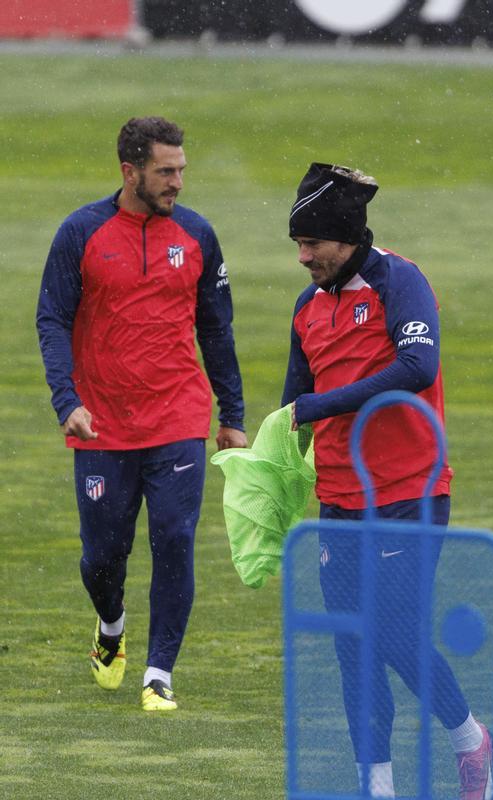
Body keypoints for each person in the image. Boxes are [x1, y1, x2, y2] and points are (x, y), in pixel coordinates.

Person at [279, 163, 493, 800]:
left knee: (393, 630)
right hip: (338, 501)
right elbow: (296, 400)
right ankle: (378, 788)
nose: (303, 258)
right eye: (297, 244)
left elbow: (418, 365)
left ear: (345, 238)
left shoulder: (400, 281)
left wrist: (324, 406)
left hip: (410, 493)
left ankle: (468, 739)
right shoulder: (306, 308)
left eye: (312, 243)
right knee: (353, 645)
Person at [36, 116, 246, 712]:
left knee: (175, 539)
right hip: (101, 422)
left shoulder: (198, 235)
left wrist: (231, 412)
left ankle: (159, 673)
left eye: (181, 169)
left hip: (178, 416)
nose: (177, 181)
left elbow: (217, 330)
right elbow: (51, 319)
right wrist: (66, 399)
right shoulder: (82, 232)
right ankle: (110, 627)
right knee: (103, 557)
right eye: (165, 171)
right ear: (130, 172)